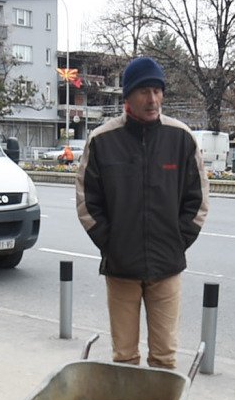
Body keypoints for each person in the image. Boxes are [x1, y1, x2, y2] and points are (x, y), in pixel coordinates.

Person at [75, 56, 210, 380]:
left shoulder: (181, 139)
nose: (152, 99)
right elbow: (87, 202)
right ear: (127, 98)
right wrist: (113, 245)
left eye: (157, 91)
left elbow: (198, 201)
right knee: (124, 358)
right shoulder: (102, 141)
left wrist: (175, 244)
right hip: (121, 271)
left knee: (164, 360)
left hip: (166, 270)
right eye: (144, 92)